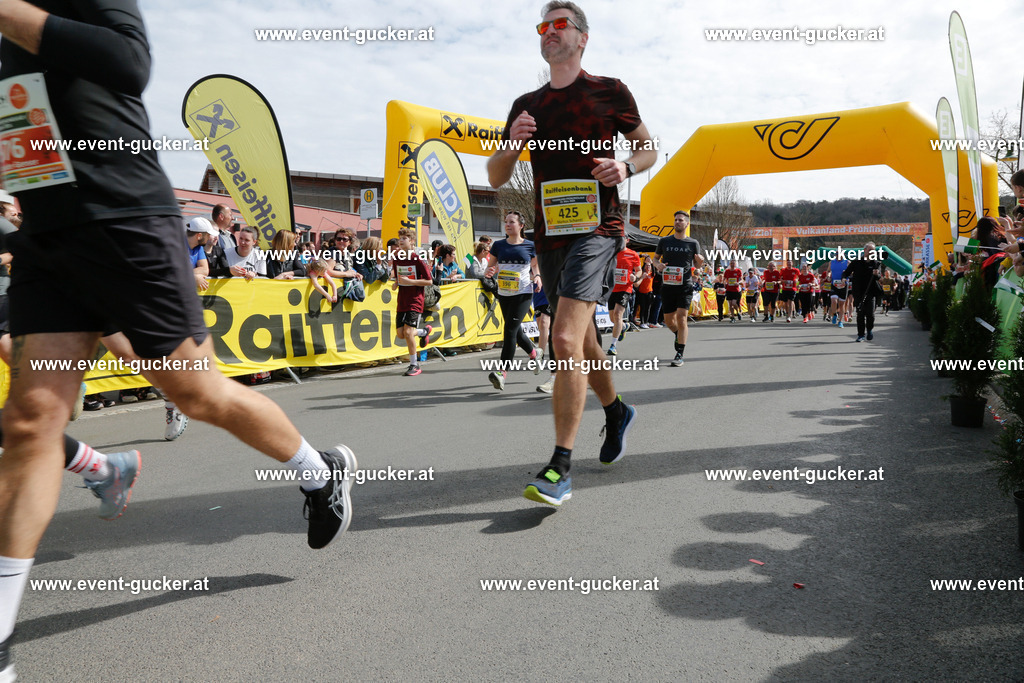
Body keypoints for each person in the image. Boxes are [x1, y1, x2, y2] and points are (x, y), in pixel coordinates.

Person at [0, 5, 358, 678]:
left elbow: (129, 65)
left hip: (125, 219)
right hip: (45, 236)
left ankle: (321, 471)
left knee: (196, 392)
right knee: (30, 422)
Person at [487, 0, 653, 506]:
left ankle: (560, 467)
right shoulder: (527, 103)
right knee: (579, 344)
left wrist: (625, 167)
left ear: (582, 37)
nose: (549, 32)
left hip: (598, 230)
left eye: (560, 24)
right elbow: (495, 177)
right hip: (549, 235)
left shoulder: (609, 91)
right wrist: (511, 145)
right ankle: (617, 410)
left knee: (561, 336)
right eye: (543, 26)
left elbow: (649, 148)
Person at [484, 210, 542, 390]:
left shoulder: (530, 245)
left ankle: (502, 373)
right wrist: (490, 272)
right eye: (506, 222)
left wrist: (538, 276)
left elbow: (535, 264)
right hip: (504, 293)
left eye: (511, 222)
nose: (507, 225)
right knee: (515, 331)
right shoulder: (498, 245)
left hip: (524, 293)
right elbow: (490, 266)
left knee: (509, 330)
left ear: (521, 225)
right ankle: (534, 352)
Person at [652, 210, 702, 366]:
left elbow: (697, 266)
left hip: (685, 285)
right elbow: (655, 258)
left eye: (680, 220)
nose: (677, 222)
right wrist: (658, 265)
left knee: (681, 317)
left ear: (687, 223)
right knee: (669, 321)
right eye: (676, 220)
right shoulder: (664, 241)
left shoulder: (693, 243)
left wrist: (700, 263)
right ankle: (677, 334)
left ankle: (680, 353)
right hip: (667, 285)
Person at [391, 228, 434, 376]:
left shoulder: (417, 258)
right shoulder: (397, 257)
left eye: (404, 238)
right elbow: (397, 275)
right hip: (402, 299)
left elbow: (429, 281)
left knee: (408, 332)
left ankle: (414, 365)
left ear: (412, 241)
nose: (401, 241)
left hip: (415, 299)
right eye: (400, 238)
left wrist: (411, 281)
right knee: (401, 334)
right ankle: (424, 332)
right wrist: (396, 282)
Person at [843, 242, 883, 342]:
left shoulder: (876, 263)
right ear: (864, 250)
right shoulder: (856, 262)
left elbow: (879, 277)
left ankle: (869, 329)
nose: (871, 252)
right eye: (869, 250)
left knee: (870, 314)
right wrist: (844, 279)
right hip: (858, 292)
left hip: (870, 291)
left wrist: (877, 274)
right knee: (860, 314)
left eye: (873, 251)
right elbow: (846, 273)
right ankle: (861, 335)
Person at [607, 245, 641, 356]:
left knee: (617, 315)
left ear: (627, 240)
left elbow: (639, 270)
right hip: (612, 288)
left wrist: (635, 277)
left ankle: (613, 345)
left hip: (625, 288)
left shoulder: (632, 254)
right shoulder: (610, 251)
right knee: (613, 319)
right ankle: (624, 326)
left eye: (622, 238)